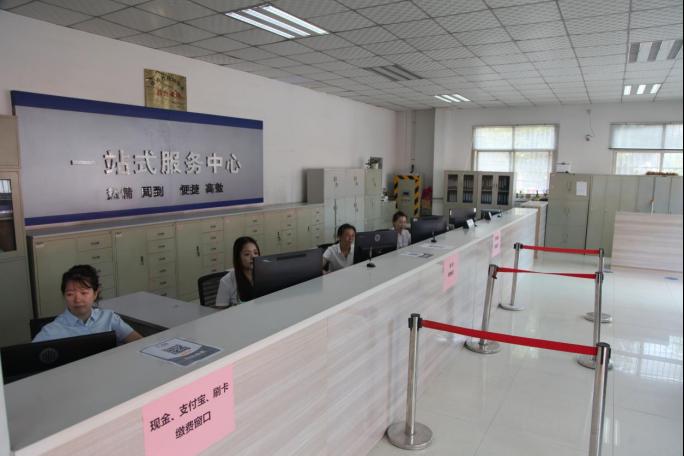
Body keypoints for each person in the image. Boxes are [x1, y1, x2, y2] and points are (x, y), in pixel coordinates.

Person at [33, 265, 143, 344]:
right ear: (64, 296)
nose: (77, 299)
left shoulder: (109, 318)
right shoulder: (51, 331)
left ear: (95, 294)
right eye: (70, 294)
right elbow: (29, 360)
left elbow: (139, 342)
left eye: (84, 293)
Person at [215, 236, 260, 307]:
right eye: (247, 254)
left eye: (255, 253)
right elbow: (220, 309)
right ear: (238, 258)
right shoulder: (227, 281)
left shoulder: (264, 274)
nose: (253, 257)